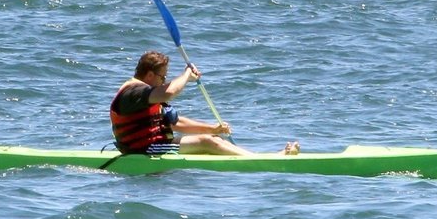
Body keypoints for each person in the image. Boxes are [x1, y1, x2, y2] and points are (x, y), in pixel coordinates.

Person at [110, 50, 299, 156]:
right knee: (206, 142)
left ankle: (256, 156)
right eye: (162, 76)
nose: (164, 80)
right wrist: (186, 75)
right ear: (149, 75)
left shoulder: (148, 95)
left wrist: (212, 129)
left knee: (214, 139)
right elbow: (170, 92)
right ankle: (266, 159)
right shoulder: (132, 93)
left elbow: (176, 123)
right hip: (142, 150)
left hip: (157, 144)